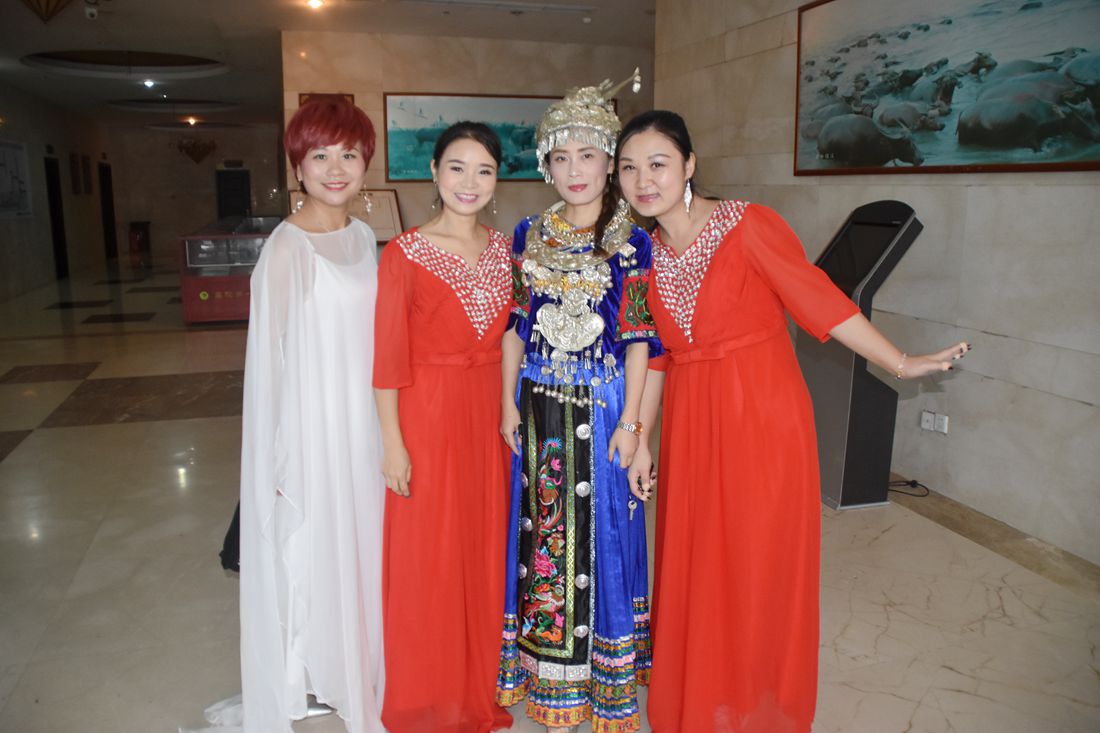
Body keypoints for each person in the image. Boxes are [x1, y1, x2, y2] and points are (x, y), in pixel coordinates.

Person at [614, 110, 971, 733]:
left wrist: (900, 361)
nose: (644, 180)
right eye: (629, 168)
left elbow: (819, 299)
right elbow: (658, 357)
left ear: (690, 165)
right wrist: (642, 437)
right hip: (694, 423)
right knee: (700, 564)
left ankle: (759, 705)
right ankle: (706, 698)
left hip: (762, 414)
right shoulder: (640, 256)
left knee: (758, 562)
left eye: (658, 163)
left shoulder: (749, 224)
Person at [495, 70, 661, 733]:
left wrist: (633, 424)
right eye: (560, 157)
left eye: (587, 155)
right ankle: (547, 671)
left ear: (609, 162)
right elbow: (515, 325)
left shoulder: (632, 240)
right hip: (538, 407)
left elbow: (639, 340)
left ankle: (605, 678)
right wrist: (507, 404)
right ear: (546, 164)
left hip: (603, 404)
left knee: (604, 537)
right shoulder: (527, 233)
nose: (574, 170)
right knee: (543, 535)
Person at [237, 98, 385, 733]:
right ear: (297, 165)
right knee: (321, 549)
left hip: (363, 424)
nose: (335, 168)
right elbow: (266, 366)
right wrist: (275, 457)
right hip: (314, 430)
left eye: (349, 154)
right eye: (320, 155)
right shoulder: (287, 248)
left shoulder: (362, 237)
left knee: (363, 544)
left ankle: (360, 663)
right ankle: (323, 669)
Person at [373, 122, 514, 733]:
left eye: (484, 170)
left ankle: (476, 690)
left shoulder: (509, 250)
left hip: (490, 418)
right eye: (457, 167)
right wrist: (393, 444)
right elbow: (387, 359)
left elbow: (517, 338)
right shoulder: (403, 253)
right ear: (434, 172)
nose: (469, 182)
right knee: (429, 558)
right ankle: (427, 698)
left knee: (484, 551)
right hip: (426, 417)